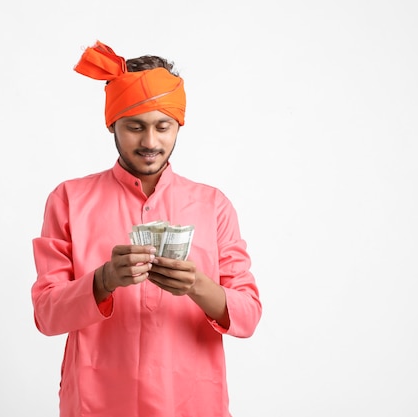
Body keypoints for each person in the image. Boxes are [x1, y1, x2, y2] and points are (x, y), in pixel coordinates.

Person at [31, 41, 262, 417]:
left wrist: (197, 286)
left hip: (190, 402)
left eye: (162, 127)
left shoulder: (213, 205)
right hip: (99, 401)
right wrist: (102, 280)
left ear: (178, 126)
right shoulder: (68, 200)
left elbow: (248, 315)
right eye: (135, 127)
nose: (150, 142)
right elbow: (46, 315)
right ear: (112, 124)